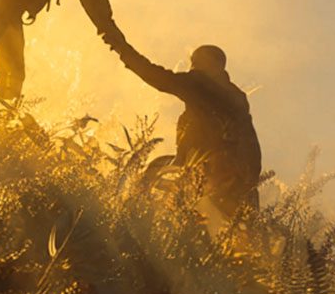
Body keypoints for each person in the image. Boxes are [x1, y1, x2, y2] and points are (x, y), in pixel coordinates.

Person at [110, 40, 261, 218]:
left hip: (218, 178)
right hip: (237, 182)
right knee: (158, 167)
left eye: (197, 63)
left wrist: (117, 43)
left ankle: (132, 214)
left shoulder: (203, 86)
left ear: (216, 66)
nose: (192, 68)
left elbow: (153, 74)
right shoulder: (234, 99)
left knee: (159, 175)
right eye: (192, 63)